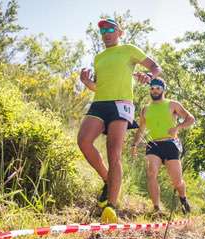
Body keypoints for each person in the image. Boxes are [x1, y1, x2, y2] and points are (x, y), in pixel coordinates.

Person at [78, 18, 162, 223]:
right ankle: (108, 179)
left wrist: (149, 77)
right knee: (83, 141)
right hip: (99, 103)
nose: (106, 33)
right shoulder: (99, 57)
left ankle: (111, 207)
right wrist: (87, 82)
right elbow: (99, 87)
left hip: (121, 105)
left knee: (113, 152)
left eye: (110, 29)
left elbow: (155, 67)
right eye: (102, 30)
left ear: (119, 32)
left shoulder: (128, 49)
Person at [131, 78, 195, 215]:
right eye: (152, 88)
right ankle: (156, 208)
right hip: (153, 144)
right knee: (151, 173)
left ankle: (183, 198)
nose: (155, 91)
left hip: (170, 143)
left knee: (177, 181)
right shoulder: (145, 109)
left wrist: (178, 127)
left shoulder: (172, 104)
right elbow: (141, 129)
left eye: (158, 88)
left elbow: (191, 119)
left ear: (163, 89)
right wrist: (134, 144)